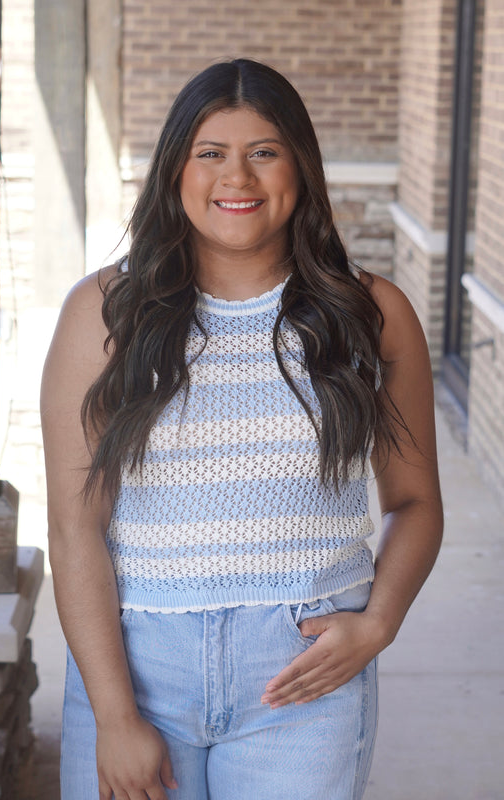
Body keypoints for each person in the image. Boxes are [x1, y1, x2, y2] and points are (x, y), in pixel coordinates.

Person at [41, 58, 443, 800]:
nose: (238, 179)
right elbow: (74, 527)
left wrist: (379, 622)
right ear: (174, 171)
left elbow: (415, 503)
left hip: (304, 681)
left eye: (263, 152)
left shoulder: (371, 314)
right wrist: (113, 712)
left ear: (299, 167)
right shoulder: (104, 315)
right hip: (137, 666)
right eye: (211, 154)